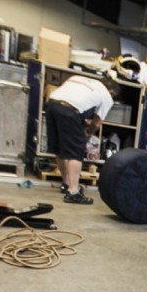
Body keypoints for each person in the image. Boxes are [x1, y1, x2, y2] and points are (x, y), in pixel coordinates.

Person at [44, 75, 117, 204]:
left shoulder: (79, 78)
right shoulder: (106, 95)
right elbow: (96, 123)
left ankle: (66, 184)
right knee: (75, 152)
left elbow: (76, 99)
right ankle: (73, 192)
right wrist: (88, 133)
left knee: (60, 149)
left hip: (51, 104)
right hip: (69, 110)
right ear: (111, 91)